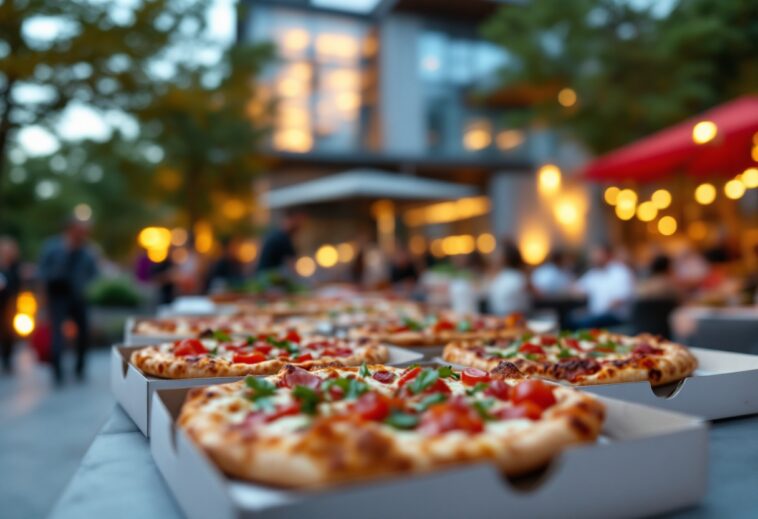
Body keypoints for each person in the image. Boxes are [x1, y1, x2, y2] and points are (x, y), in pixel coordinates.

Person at [38, 219, 98, 384]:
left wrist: (85, 284)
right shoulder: (53, 247)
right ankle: (57, 370)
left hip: (78, 296)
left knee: (83, 333)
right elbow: (42, 271)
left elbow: (94, 272)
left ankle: (80, 367)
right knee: (57, 333)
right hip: (58, 296)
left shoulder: (87, 250)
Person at [571, 243, 635, 329]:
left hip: (616, 315)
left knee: (585, 322)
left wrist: (595, 312)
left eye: (597, 254)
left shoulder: (620, 271)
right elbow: (577, 289)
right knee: (571, 318)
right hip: (595, 314)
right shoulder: (594, 273)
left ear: (607, 255)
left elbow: (620, 299)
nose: (594, 257)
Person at [487, 240, 530, 316]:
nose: (495, 258)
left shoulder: (513, 277)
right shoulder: (517, 277)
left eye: (498, 255)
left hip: (514, 317)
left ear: (504, 258)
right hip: (504, 316)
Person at [256, 209, 307, 274]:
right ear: (291, 219)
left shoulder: (277, 234)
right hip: (269, 278)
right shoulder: (281, 238)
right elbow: (292, 264)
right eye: (299, 220)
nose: (301, 225)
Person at [0, 237, 21, 373]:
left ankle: (7, 359)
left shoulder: (15, 267)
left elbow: (17, 284)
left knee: (9, 332)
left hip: (9, 303)